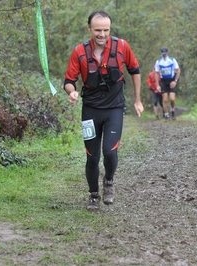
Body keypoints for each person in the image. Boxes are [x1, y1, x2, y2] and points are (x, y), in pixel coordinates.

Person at [64, 10, 144, 210]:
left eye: (106, 30)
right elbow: (69, 81)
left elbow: (135, 70)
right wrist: (72, 92)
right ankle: (93, 195)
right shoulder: (79, 52)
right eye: (98, 30)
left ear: (110, 29)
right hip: (90, 110)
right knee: (92, 156)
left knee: (109, 151)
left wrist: (137, 100)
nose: (102, 34)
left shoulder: (122, 46)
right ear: (89, 29)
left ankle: (109, 181)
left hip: (114, 108)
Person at [154, 47, 181, 121]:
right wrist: (157, 85)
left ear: (167, 53)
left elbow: (178, 70)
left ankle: (172, 110)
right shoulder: (158, 62)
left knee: (172, 99)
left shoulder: (172, 60)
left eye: (165, 54)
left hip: (171, 80)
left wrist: (175, 81)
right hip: (163, 81)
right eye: (163, 54)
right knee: (165, 99)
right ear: (161, 54)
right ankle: (166, 115)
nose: (164, 55)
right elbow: (156, 74)